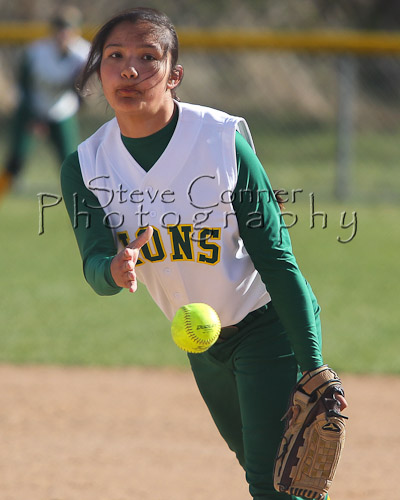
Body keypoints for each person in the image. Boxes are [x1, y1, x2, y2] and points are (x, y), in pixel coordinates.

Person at [60, 8, 347, 500]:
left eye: (148, 57)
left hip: (267, 326)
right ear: (98, 70)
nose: (129, 70)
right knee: (274, 476)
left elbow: (278, 259)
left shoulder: (220, 142)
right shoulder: (86, 165)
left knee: (272, 485)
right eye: (115, 56)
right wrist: (112, 270)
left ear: (174, 75)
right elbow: (94, 265)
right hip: (200, 342)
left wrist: (313, 364)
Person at [0, 5, 90, 200]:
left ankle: (81, 200)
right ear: (53, 31)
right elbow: (24, 86)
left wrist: (82, 94)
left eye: (69, 29)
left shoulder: (83, 54)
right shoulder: (36, 52)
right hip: (33, 107)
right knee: (16, 158)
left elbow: (85, 91)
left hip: (62, 111)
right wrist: (33, 117)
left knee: (70, 161)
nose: (64, 34)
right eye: (60, 29)